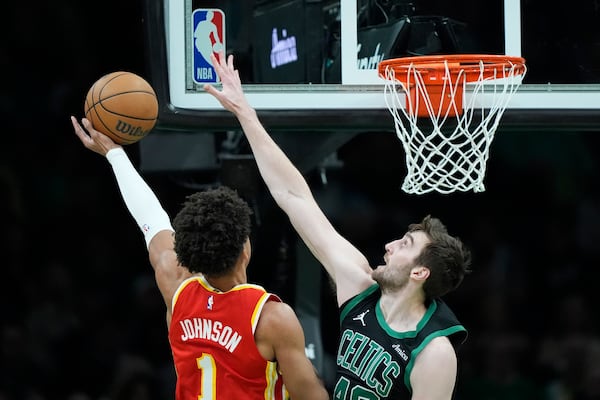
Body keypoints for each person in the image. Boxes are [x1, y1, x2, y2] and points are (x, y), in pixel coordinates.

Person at [204, 52, 472, 400]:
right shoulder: (359, 286)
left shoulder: (434, 352)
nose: (390, 246)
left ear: (420, 273)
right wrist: (245, 113)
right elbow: (294, 197)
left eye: (405, 245)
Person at [70, 116, 329, 400]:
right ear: (246, 248)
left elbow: (151, 221)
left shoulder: (177, 287)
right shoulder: (271, 318)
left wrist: (115, 154)